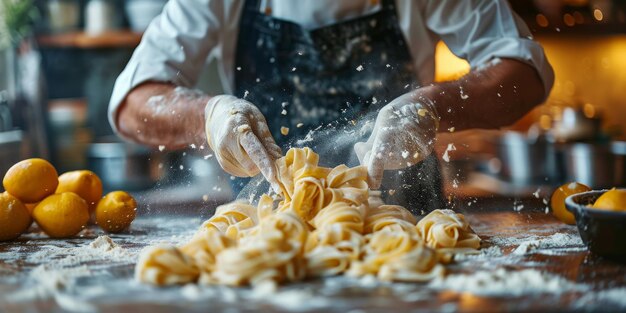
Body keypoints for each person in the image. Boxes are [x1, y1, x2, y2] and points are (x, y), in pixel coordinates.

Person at [109, 0, 554, 211]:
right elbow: (132, 103)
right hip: (271, 230)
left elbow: (525, 73)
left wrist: (431, 106)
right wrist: (208, 116)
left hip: (406, 224)